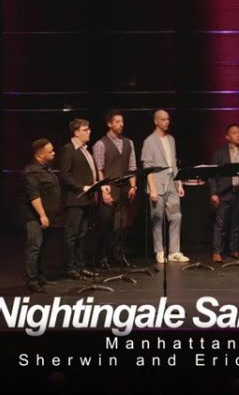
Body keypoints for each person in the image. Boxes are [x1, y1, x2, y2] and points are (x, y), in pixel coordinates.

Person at [90, 110, 137, 269]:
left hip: (124, 189)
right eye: (117, 121)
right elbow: (99, 170)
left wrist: (133, 185)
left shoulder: (128, 143)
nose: (121, 124)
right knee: (105, 225)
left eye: (122, 121)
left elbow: (132, 167)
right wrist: (104, 191)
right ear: (109, 123)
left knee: (121, 226)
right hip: (109, 190)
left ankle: (119, 254)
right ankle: (102, 256)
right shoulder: (101, 144)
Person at [141, 109, 187, 263]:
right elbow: (148, 167)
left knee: (176, 216)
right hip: (157, 184)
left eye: (168, 119)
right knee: (157, 218)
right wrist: (152, 188)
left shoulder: (171, 139)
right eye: (163, 119)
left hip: (171, 183)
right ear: (156, 121)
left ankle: (174, 251)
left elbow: (173, 163)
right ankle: (159, 250)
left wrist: (179, 183)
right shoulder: (149, 141)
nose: (167, 122)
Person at [208, 123, 239, 262]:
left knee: (237, 224)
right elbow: (213, 175)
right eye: (235, 133)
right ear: (227, 136)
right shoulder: (220, 153)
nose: (238, 135)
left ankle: (235, 250)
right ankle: (217, 251)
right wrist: (214, 193)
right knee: (221, 223)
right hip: (225, 192)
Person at [56, 118, 97, 280]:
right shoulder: (69, 149)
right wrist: (82, 187)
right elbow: (64, 175)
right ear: (76, 132)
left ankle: (80, 266)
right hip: (75, 199)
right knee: (72, 234)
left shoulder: (84, 150)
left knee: (82, 233)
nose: (89, 132)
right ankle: (70, 267)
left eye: (89, 129)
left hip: (86, 199)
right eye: (85, 129)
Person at [22, 138, 59, 293]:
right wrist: (42, 215)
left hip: (47, 216)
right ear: (40, 155)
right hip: (34, 217)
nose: (54, 153)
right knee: (34, 247)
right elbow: (34, 196)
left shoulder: (46, 169)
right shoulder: (32, 172)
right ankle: (31, 280)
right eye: (50, 152)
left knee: (42, 247)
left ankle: (40, 276)